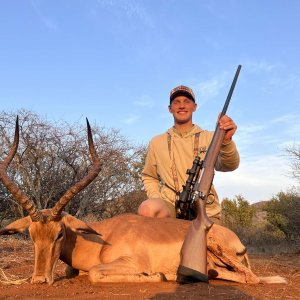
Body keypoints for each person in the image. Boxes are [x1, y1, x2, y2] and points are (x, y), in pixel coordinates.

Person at [138, 85, 239, 224]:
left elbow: (229, 165)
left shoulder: (211, 137)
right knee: (148, 208)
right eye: (176, 102)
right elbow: (149, 176)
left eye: (187, 101)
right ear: (170, 109)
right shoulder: (157, 142)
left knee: (216, 243)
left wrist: (226, 140)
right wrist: (157, 197)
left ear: (194, 107)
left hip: (204, 209)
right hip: (170, 207)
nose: (181, 106)